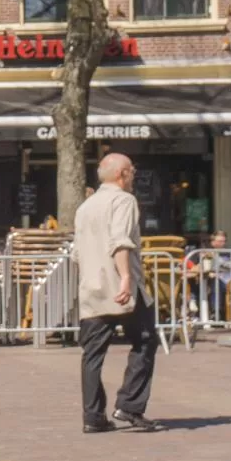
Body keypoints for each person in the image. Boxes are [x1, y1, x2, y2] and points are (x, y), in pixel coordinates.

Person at [78, 153, 159, 434]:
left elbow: (78, 252)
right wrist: (125, 278)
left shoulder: (85, 207)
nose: (135, 176)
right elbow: (120, 241)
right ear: (122, 174)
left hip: (91, 287)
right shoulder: (123, 200)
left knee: (92, 354)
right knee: (146, 340)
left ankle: (93, 415)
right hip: (120, 287)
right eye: (132, 171)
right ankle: (130, 405)